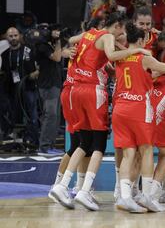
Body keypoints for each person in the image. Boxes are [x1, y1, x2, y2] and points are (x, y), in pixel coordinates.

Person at [50, 12, 152, 211]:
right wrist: (138, 50)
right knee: (97, 144)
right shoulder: (107, 36)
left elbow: (70, 39)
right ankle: (84, 190)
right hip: (91, 90)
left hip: (73, 89)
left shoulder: (88, 33)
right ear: (117, 26)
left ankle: (63, 186)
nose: (121, 35)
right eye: (121, 31)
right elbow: (113, 55)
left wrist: (66, 51)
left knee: (83, 142)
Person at [113, 22, 165, 213]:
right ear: (142, 41)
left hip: (120, 107)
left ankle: (124, 196)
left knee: (129, 154)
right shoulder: (145, 58)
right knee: (147, 151)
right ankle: (147, 195)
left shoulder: (119, 58)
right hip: (139, 108)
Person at [1, 27, 39, 146]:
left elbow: (40, 66)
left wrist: (36, 73)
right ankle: (10, 137)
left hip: (29, 87)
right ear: (6, 38)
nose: (13, 38)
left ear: (20, 36)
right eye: (10, 36)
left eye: (15, 35)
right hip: (12, 90)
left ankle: (32, 140)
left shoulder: (29, 50)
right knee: (9, 113)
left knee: (31, 115)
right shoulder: (5, 54)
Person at [36, 24, 64, 156]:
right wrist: (58, 42)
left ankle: (50, 145)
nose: (58, 33)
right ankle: (44, 147)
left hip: (56, 84)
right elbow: (57, 57)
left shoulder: (51, 46)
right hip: (48, 86)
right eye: (56, 30)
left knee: (56, 116)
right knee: (50, 115)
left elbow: (61, 54)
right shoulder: (42, 45)